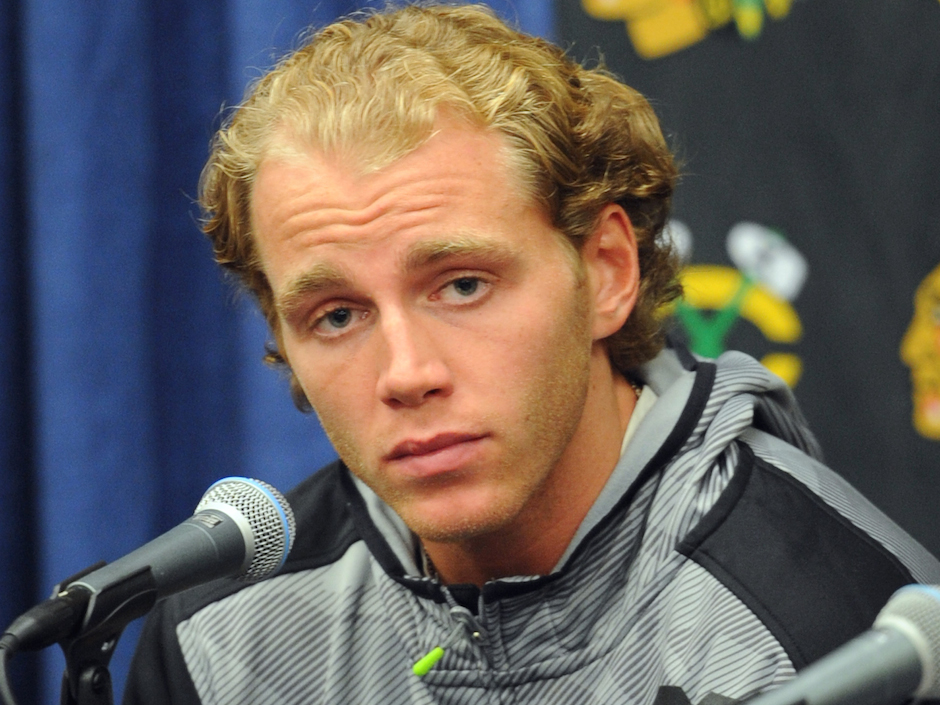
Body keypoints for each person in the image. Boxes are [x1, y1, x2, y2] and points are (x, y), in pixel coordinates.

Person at [123, 4, 940, 704]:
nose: (407, 373)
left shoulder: (833, 630)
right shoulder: (219, 634)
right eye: (336, 315)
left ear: (608, 271)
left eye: (464, 285)